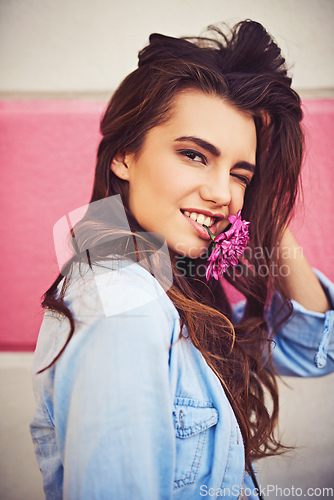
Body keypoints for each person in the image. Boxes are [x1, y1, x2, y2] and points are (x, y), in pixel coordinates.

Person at [30, 20, 334, 500]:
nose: (220, 194)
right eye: (194, 155)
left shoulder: (171, 286)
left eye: (240, 174)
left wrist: (264, 211)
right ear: (125, 155)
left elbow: (314, 348)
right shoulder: (125, 305)